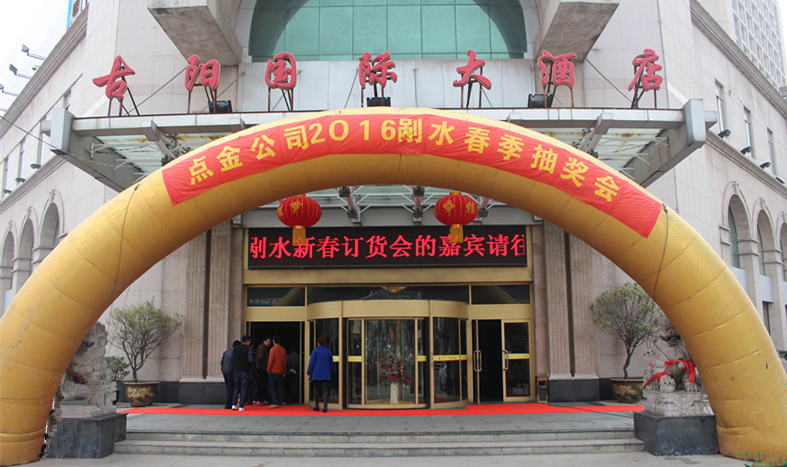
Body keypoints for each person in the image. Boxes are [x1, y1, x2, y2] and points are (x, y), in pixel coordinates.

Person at [307, 337, 333, 413]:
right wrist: (330, 370)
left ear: (318, 343)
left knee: (316, 390)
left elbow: (311, 362)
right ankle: (325, 406)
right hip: (326, 374)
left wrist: (308, 371)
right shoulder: (328, 351)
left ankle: (317, 406)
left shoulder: (315, 351)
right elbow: (331, 363)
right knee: (325, 391)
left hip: (316, 374)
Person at [229, 335, 254, 411]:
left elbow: (230, 358)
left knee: (236, 387)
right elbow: (251, 360)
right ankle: (241, 406)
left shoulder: (235, 348)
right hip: (244, 371)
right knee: (243, 388)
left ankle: (234, 404)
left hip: (236, 370)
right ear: (247, 341)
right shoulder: (248, 349)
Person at [267, 335, 287, 408]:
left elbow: (271, 361)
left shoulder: (272, 349)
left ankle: (274, 402)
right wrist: (284, 372)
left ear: (273, 342)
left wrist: (268, 370)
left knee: (271, 387)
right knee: (280, 387)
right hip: (281, 371)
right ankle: (280, 402)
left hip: (273, 371)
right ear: (280, 341)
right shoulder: (283, 350)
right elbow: (284, 362)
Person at [221, 340, 241, 409]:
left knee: (229, 388)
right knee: (231, 388)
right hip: (231, 372)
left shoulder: (226, 352)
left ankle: (230, 403)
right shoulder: (235, 352)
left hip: (225, 371)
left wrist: (222, 370)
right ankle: (228, 404)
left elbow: (222, 361)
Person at [255, 337, 271, 404]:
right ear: (264, 341)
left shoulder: (264, 348)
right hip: (261, 368)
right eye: (268, 342)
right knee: (262, 384)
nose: (269, 344)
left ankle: (262, 398)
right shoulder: (261, 347)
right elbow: (260, 357)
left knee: (263, 384)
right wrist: (267, 363)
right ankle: (261, 398)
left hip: (262, 368)